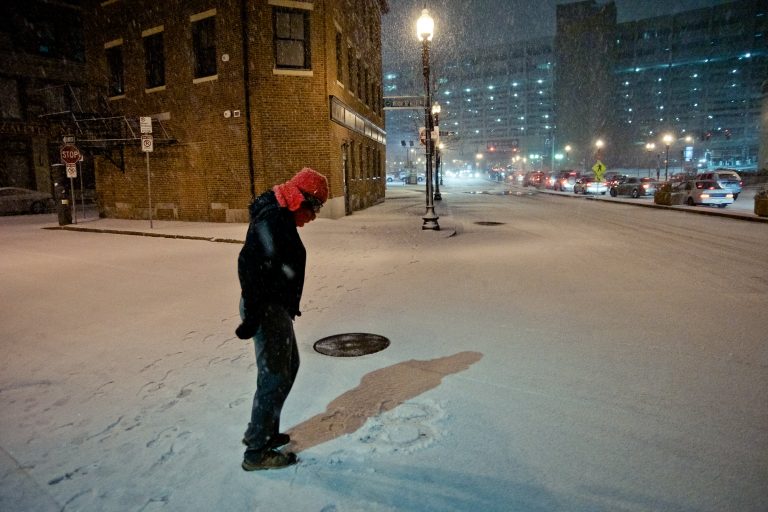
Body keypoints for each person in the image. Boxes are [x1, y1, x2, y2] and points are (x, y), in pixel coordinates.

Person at [235, 167, 328, 471]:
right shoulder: (273, 219)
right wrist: (253, 313)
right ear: (300, 198)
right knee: (274, 375)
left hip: (274, 306)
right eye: (314, 207)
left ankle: (265, 431)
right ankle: (256, 451)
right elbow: (250, 265)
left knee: (287, 368)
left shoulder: (280, 216)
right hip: (264, 307)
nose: (314, 217)